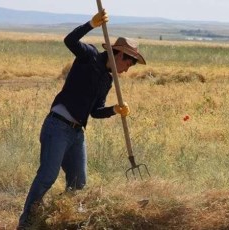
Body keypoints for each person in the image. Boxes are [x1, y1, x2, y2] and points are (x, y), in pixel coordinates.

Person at [17, 9, 146, 229]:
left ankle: (60, 219)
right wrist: (90, 24)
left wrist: (114, 109)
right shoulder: (90, 56)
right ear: (119, 55)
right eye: (128, 64)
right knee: (47, 176)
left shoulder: (107, 80)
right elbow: (69, 40)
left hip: (77, 133)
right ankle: (26, 222)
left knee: (78, 184)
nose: (127, 70)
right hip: (57, 125)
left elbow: (95, 111)